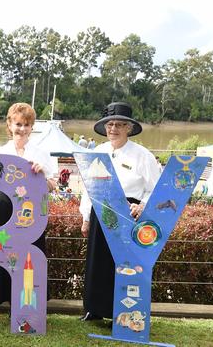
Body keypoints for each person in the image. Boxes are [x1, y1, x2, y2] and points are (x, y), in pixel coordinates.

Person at [79, 102, 160, 321]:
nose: (113, 129)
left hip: (128, 214)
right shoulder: (97, 152)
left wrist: (143, 204)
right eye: (110, 124)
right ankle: (94, 310)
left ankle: (123, 313)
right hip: (100, 212)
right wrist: (86, 217)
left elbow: (157, 188)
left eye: (119, 125)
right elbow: (88, 188)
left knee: (124, 264)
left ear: (129, 128)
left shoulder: (143, 156)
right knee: (97, 262)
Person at [0, 102, 57, 305]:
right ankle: (6, 298)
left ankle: (28, 302)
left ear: (32, 127)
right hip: (4, 208)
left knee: (30, 253)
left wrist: (42, 174)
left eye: (26, 125)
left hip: (32, 212)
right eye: (18, 124)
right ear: (9, 124)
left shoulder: (41, 154)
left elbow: (52, 186)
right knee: (5, 251)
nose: (22, 129)